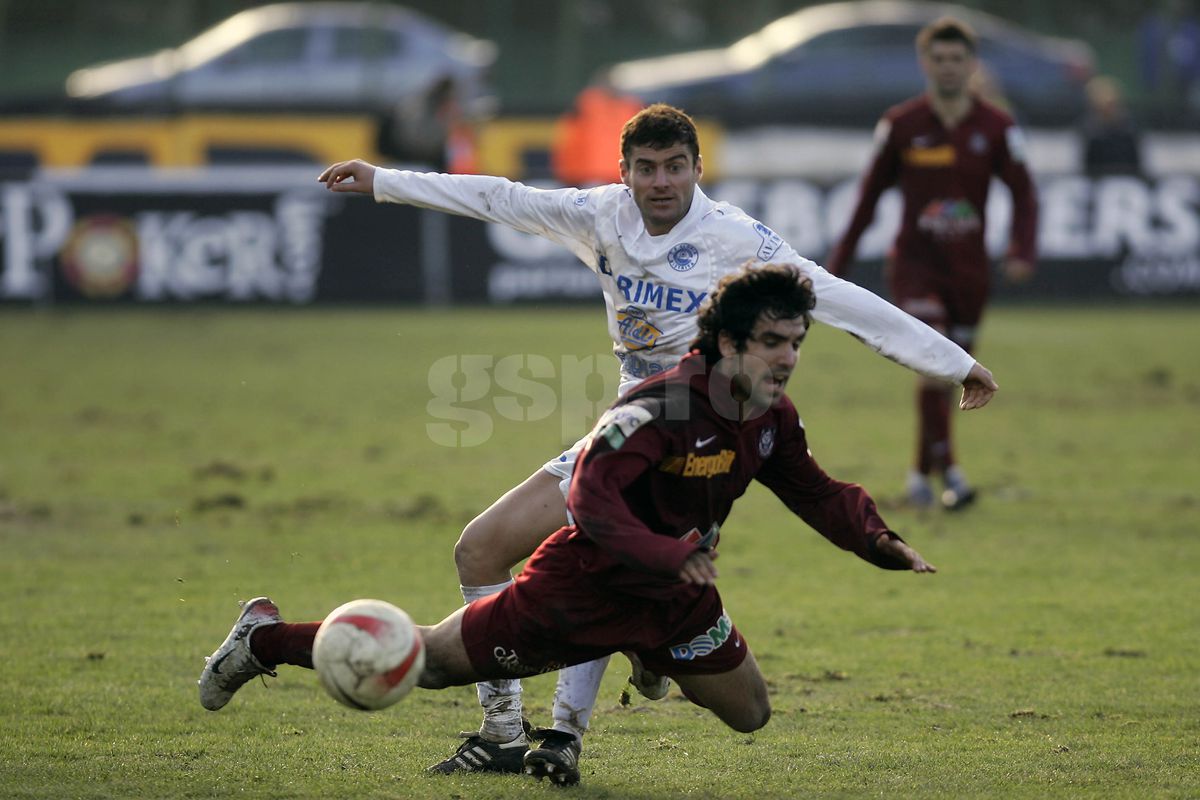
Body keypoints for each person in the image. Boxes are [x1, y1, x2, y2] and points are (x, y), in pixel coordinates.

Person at [310, 103, 997, 779]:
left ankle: (562, 733)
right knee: (481, 548)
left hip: (695, 441)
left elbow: (836, 295)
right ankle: (509, 727)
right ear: (624, 172)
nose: (661, 181)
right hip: (628, 425)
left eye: (675, 167)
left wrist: (952, 362)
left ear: (699, 168)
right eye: (647, 168)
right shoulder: (600, 215)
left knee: (599, 565)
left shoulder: (737, 240)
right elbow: (500, 197)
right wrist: (383, 181)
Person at [198, 263, 939, 787]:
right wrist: (660, 551)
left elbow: (814, 491)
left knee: (752, 714)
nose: (789, 358)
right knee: (419, 664)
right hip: (578, 589)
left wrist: (876, 540)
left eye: (797, 343)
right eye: (774, 342)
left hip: (674, 599)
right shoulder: (660, 406)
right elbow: (588, 497)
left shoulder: (771, 418)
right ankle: (262, 637)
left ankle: (651, 656)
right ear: (728, 343)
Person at [826, 17, 1036, 511]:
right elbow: (867, 198)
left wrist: (1023, 249)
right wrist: (837, 264)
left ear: (971, 64)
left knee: (958, 375)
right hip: (915, 267)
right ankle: (954, 477)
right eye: (938, 59)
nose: (947, 67)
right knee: (934, 368)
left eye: (956, 59)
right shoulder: (901, 125)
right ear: (925, 63)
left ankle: (920, 474)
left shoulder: (998, 128)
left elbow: (1026, 195)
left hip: (968, 271)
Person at [1081, 75, 1143, 176]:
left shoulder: (1129, 126)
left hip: (1127, 177)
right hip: (1097, 179)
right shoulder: (1089, 128)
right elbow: (1087, 163)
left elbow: (1136, 160)